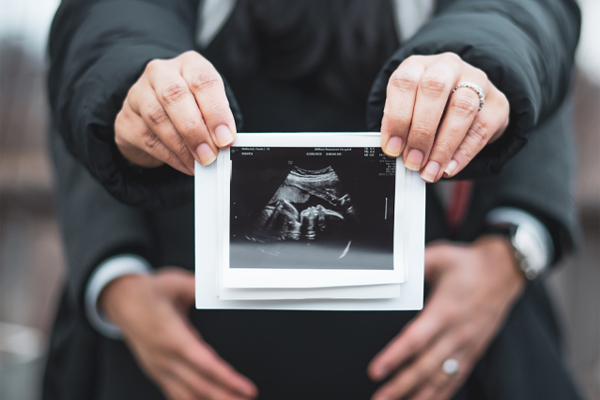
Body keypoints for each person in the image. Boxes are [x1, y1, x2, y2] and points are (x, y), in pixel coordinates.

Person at [44, 0, 582, 399]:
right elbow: (99, 45)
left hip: (462, 364)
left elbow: (527, 32)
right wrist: (114, 278)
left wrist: (512, 251)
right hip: (153, 364)